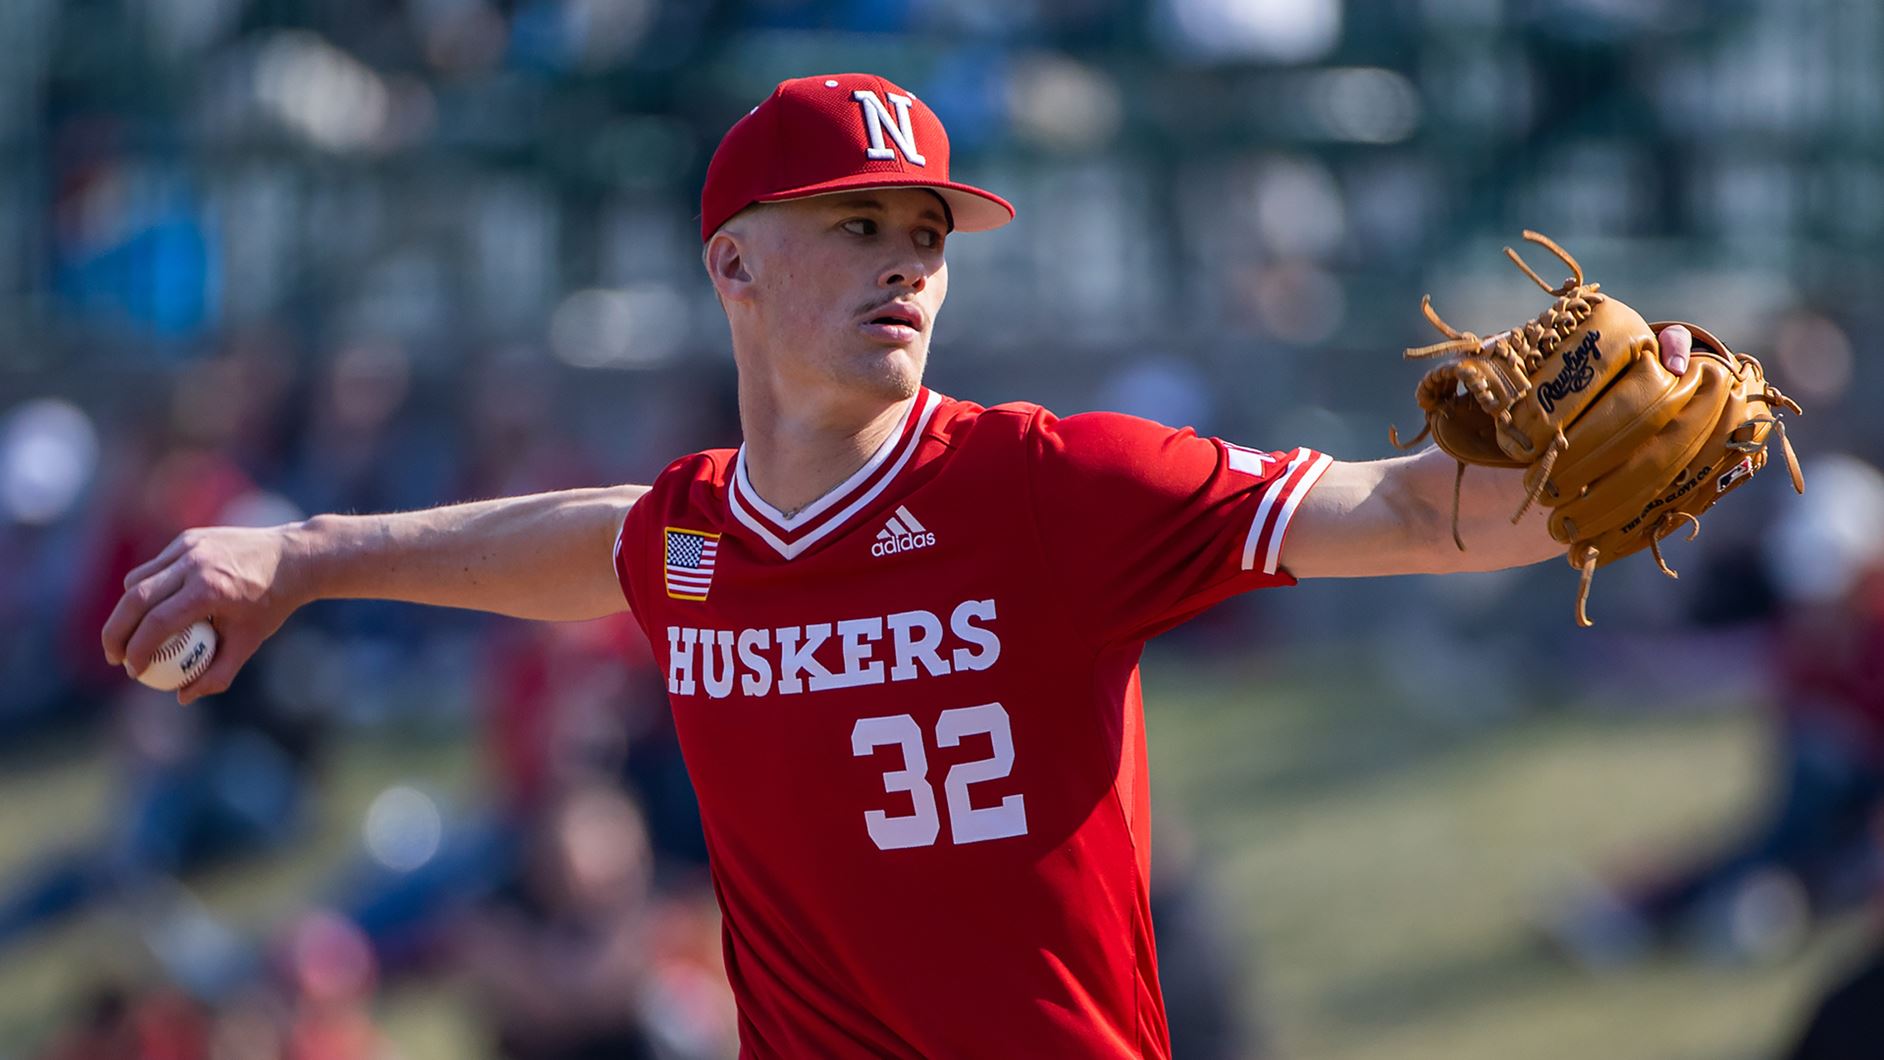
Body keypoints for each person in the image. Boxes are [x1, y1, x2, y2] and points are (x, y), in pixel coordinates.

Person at [100, 73, 1696, 1058]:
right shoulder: (705, 537)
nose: (909, 264)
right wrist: (303, 559)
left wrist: (1557, 488)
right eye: (856, 226)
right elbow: (584, 546)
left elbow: (1410, 513)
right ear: (735, 262)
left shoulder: (1057, 486)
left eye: (925, 231)